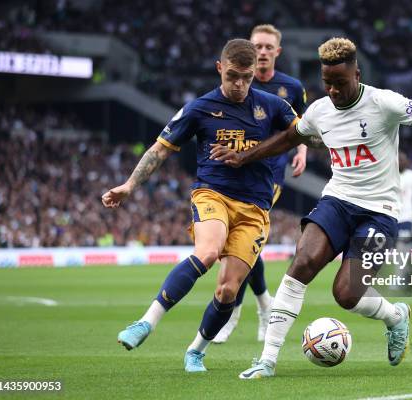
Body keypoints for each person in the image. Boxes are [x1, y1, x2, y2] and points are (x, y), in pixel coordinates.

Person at [210, 37, 412, 379]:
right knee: (302, 263)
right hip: (337, 201)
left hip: (379, 211)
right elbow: (288, 138)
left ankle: (396, 316)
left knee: (346, 293)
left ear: (357, 73)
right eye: (327, 83)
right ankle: (267, 361)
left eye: (340, 83)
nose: (334, 91)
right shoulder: (320, 111)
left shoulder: (385, 103)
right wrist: (243, 156)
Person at [101, 39, 299, 373]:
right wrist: (130, 185)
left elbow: (302, 133)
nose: (239, 85)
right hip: (212, 194)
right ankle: (145, 322)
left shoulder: (273, 106)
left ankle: (195, 350)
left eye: (246, 78)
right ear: (219, 68)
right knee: (207, 251)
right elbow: (161, 149)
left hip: (255, 207)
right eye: (232, 75)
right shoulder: (199, 108)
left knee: (228, 289)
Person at [213, 24, 308, 344]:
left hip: (269, 175)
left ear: (277, 52)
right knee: (239, 243)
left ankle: (234, 312)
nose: (263, 52)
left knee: (241, 239)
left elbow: (301, 124)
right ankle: (264, 303)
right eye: (258, 47)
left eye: (268, 47)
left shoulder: (291, 87)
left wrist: (303, 151)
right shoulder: (237, 88)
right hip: (234, 172)